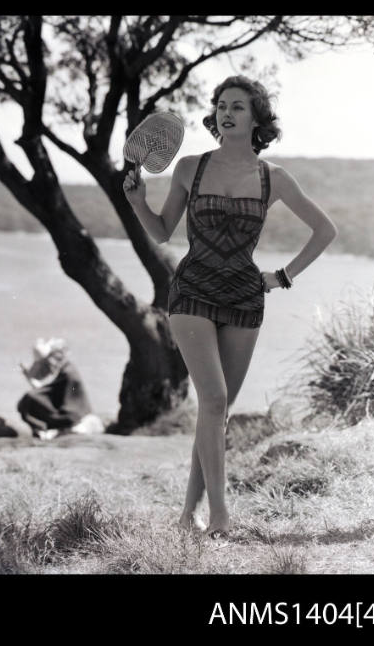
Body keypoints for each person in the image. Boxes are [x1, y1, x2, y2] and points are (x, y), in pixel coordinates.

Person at [123, 75, 337, 539]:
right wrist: (139, 203)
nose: (227, 112)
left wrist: (282, 276)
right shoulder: (189, 168)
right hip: (192, 291)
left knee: (215, 410)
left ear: (256, 118)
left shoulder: (274, 178)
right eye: (222, 105)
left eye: (238, 106)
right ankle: (220, 515)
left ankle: (187, 515)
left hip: (245, 296)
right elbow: (161, 232)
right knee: (215, 400)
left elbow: (325, 230)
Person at [17, 337, 104, 439]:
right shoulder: (67, 369)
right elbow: (49, 390)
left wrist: (30, 380)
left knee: (29, 398)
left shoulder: (68, 372)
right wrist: (29, 377)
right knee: (30, 398)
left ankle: (48, 429)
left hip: (72, 417)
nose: (50, 363)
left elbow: (47, 392)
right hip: (76, 415)